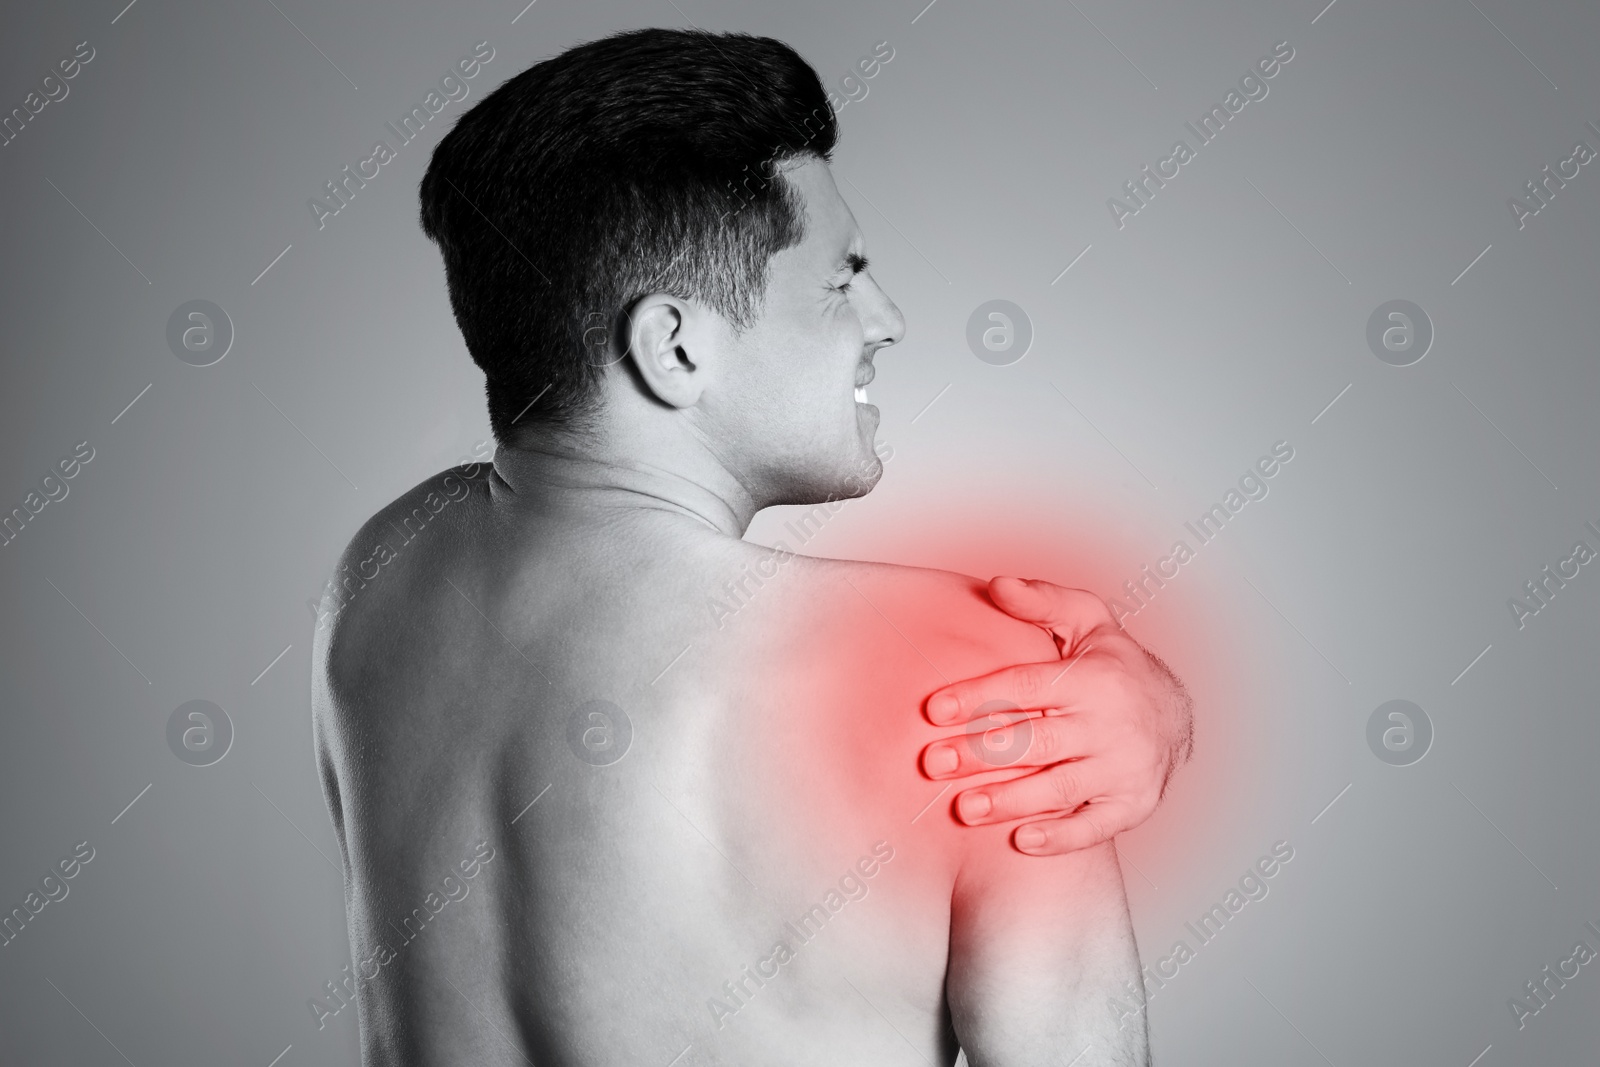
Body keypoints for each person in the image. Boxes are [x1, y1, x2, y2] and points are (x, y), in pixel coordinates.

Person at [311, 27, 1191, 1065]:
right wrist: (1151, 702)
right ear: (675, 344)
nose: (885, 316)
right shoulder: (987, 678)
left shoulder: (377, 573)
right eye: (839, 278)